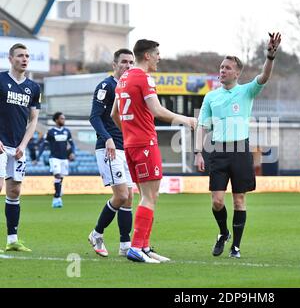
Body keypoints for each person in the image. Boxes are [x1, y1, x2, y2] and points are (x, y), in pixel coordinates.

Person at [195, 33, 282, 259]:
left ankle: (236, 247)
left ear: (237, 72)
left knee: (239, 199)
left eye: (227, 68)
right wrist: (198, 152)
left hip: (240, 150)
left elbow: (264, 76)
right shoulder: (210, 97)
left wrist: (270, 56)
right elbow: (202, 126)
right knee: (216, 201)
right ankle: (223, 233)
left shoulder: (246, 91)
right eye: (221, 67)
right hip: (218, 151)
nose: (222, 70)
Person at [112, 39, 197, 263]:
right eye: (157, 54)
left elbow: (115, 115)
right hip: (145, 144)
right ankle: (136, 248)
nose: (160, 57)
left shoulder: (123, 79)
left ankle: (145, 247)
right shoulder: (143, 77)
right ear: (147, 56)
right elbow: (157, 110)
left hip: (131, 144)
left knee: (149, 196)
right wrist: (185, 119)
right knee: (149, 197)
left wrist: (129, 132)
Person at [87, 48, 135, 257]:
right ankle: (96, 233)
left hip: (127, 148)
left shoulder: (129, 88)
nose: (128, 66)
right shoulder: (106, 86)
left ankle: (125, 246)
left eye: (131, 62)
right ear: (115, 64)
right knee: (121, 195)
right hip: (109, 148)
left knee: (130, 197)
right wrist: (107, 139)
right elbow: (94, 117)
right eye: (124, 62)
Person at [0, 43, 41, 252]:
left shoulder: (33, 87)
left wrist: (24, 144)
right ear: (10, 58)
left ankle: (12, 239)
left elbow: (33, 119)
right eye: (20, 56)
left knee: (14, 191)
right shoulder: (0, 79)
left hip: (17, 147)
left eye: (27, 56)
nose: (24, 59)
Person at [36, 112, 76, 208]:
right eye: (62, 118)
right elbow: (43, 145)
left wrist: (72, 153)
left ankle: (57, 196)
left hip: (64, 159)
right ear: (56, 120)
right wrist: (37, 158)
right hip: (54, 158)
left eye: (64, 118)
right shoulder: (50, 132)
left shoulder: (67, 131)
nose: (63, 120)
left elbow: (72, 144)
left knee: (60, 178)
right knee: (57, 176)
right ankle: (57, 198)